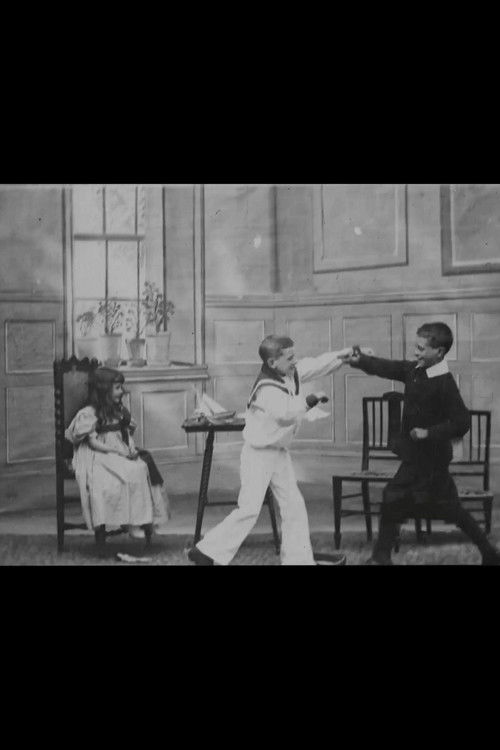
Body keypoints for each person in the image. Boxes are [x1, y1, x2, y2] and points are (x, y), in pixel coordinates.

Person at [187, 335, 354, 566]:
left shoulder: (288, 372)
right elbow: (285, 414)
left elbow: (314, 365)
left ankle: (298, 561)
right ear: (272, 363)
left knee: (293, 506)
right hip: (258, 454)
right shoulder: (266, 388)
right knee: (249, 509)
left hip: (278, 453)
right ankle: (205, 551)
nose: (295, 361)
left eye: (294, 356)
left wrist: (343, 356)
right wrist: (310, 400)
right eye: (290, 358)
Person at [342, 322, 500, 565]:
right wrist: (361, 360)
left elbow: (462, 422)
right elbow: (388, 367)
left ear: (439, 352)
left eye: (421, 348)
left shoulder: (445, 382)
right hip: (417, 457)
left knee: (401, 498)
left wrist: (429, 433)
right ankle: (489, 553)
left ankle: (381, 557)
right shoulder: (415, 370)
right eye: (416, 347)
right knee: (444, 507)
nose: (415, 352)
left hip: (433, 459)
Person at [65, 367, 169, 555]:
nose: (122, 391)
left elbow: (126, 434)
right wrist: (116, 451)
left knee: (140, 467)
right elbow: (93, 443)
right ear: (104, 390)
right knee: (121, 473)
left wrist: (130, 449)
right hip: (98, 453)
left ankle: (139, 521)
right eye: (118, 388)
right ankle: (129, 522)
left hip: (118, 448)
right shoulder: (90, 413)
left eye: (121, 387)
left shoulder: (119, 411)